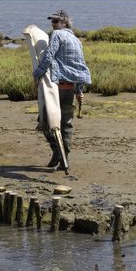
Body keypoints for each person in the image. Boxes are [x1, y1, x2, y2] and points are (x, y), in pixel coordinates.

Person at [32, 10, 91, 169]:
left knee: (44, 121)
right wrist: (79, 90)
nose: (53, 24)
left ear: (65, 22)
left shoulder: (57, 35)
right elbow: (80, 66)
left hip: (57, 87)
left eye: (56, 21)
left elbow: (49, 56)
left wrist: (37, 74)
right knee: (66, 123)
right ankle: (64, 158)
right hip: (71, 87)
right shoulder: (77, 40)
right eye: (52, 21)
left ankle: (58, 153)